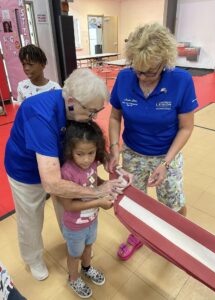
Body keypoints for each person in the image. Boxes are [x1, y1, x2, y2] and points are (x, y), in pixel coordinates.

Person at [4, 68, 124, 281]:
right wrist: (96, 190)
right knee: (30, 218)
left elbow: (90, 135)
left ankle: (72, 241)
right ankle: (33, 258)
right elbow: (51, 184)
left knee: (66, 207)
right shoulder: (40, 114)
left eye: (97, 111)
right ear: (71, 101)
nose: (93, 117)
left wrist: (106, 158)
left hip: (59, 165)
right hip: (25, 170)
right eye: (91, 112)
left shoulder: (76, 108)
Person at [108, 23, 198, 260]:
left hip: (166, 155)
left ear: (164, 63)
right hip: (133, 154)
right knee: (135, 201)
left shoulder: (181, 80)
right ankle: (138, 234)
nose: (143, 77)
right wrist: (114, 148)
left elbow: (186, 128)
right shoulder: (124, 77)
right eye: (138, 70)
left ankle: (176, 236)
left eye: (151, 72)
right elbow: (115, 115)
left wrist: (166, 163)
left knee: (173, 202)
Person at [59, 121, 115, 298]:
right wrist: (98, 201)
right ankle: (73, 278)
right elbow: (68, 205)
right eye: (80, 154)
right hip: (75, 225)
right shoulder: (67, 172)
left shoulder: (91, 164)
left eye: (91, 153)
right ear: (70, 151)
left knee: (89, 246)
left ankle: (86, 268)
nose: (86, 159)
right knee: (74, 254)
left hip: (92, 220)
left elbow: (92, 179)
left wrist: (104, 184)